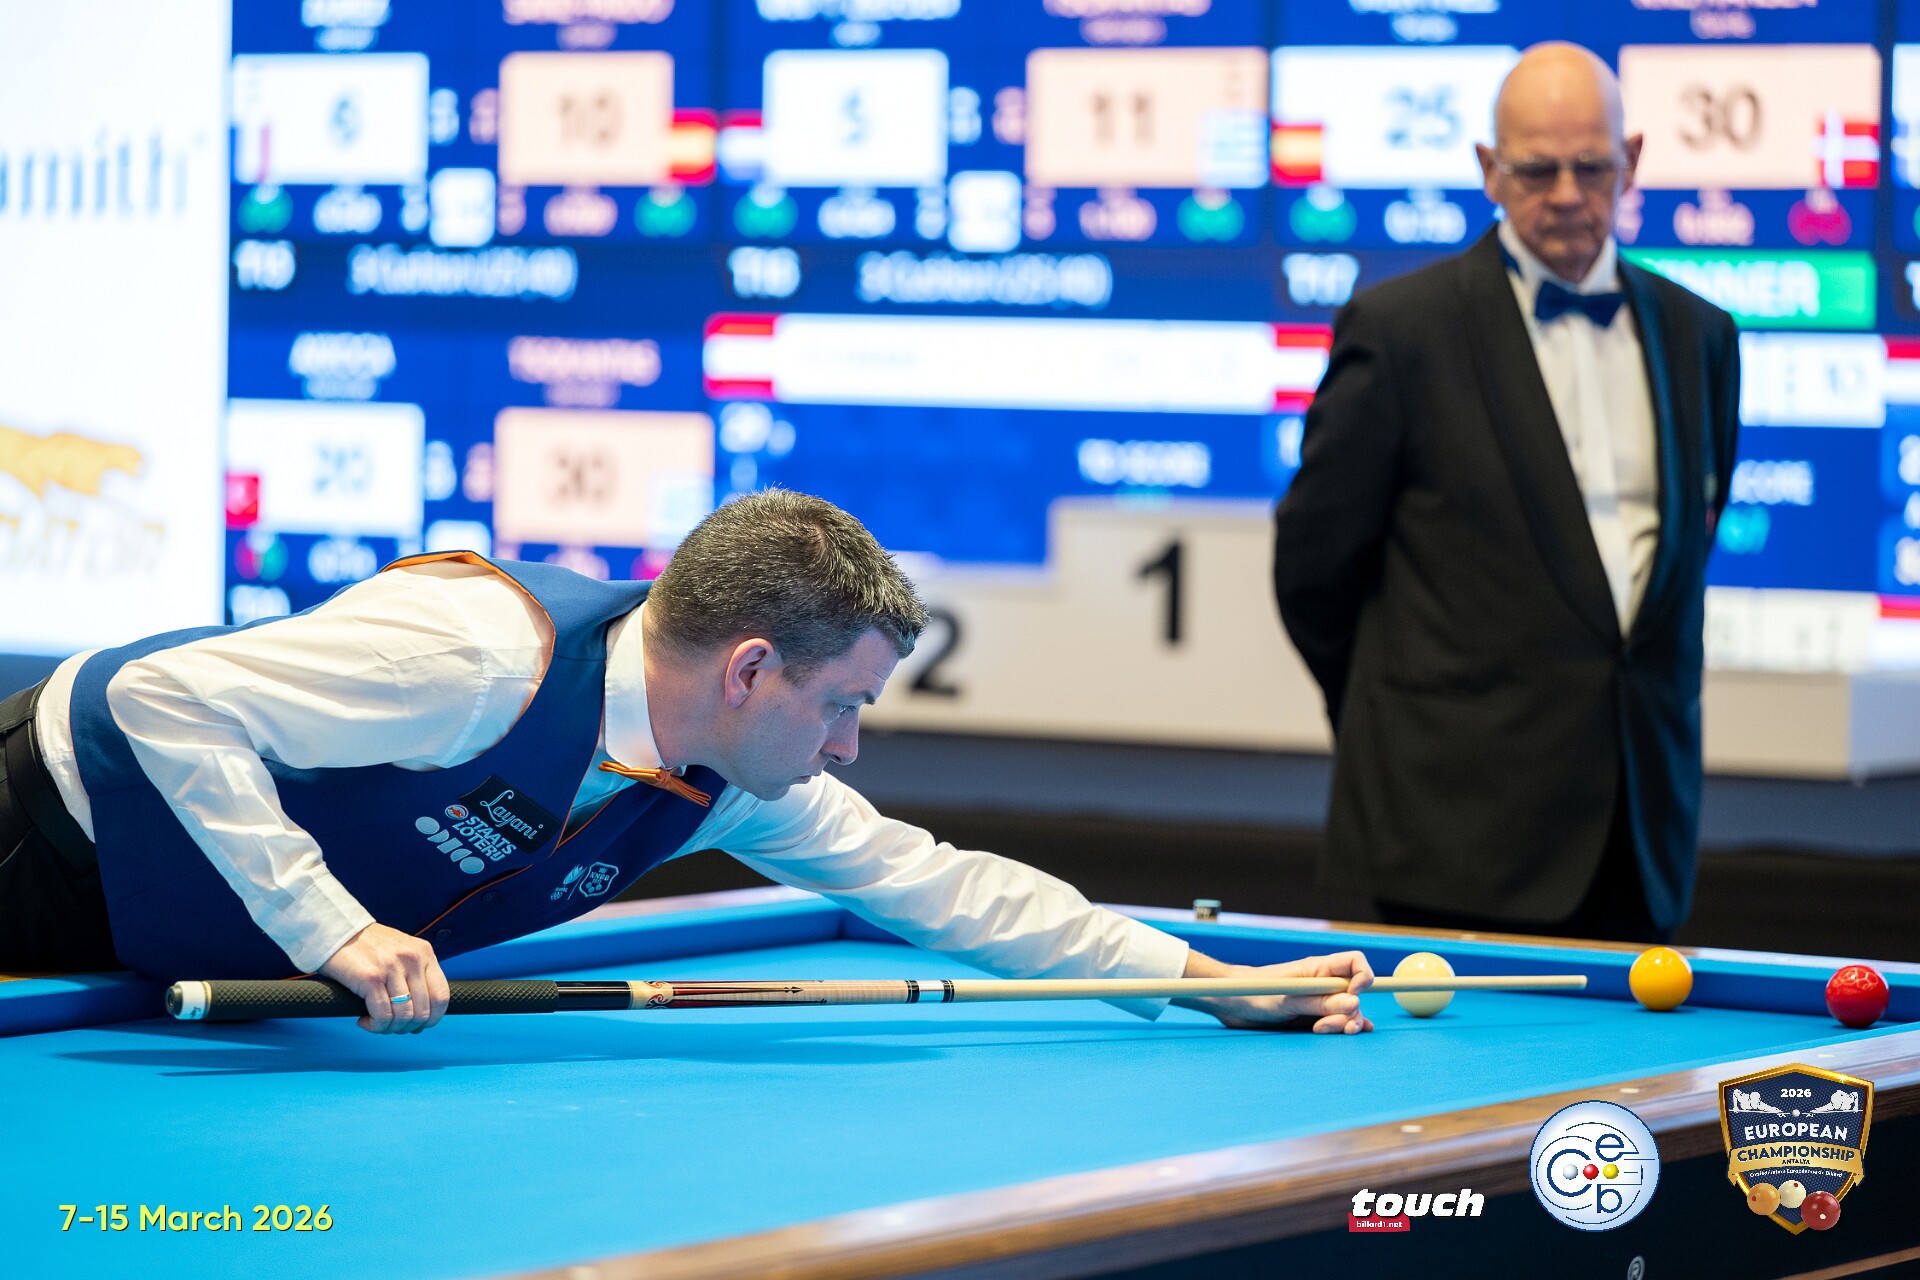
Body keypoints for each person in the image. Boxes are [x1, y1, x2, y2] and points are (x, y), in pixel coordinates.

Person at [1, 490, 1373, 1035]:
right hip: (32, 829)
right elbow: (161, 698)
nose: (848, 746)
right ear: (751, 669)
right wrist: (331, 929)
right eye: (843, 705)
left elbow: (943, 885)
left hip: (160, 936)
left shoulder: (724, 775)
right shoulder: (475, 655)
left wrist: (1206, 982)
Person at [1271, 44, 1740, 944]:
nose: (1565, 194)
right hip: (1449, 834)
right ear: (1489, 170)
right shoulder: (1400, 332)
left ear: (1632, 161)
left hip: (1642, 837)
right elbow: (1313, 570)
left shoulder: (1701, 335)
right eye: (1535, 170)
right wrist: (1401, 724)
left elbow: (1684, 554)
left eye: (1591, 167)